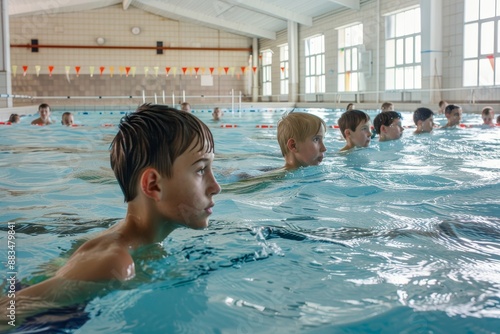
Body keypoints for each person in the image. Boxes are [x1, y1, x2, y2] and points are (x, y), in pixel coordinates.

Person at [1, 104, 221, 324]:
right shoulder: (116, 263)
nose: (216, 186)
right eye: (201, 169)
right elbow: (7, 312)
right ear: (153, 185)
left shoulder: (128, 240)